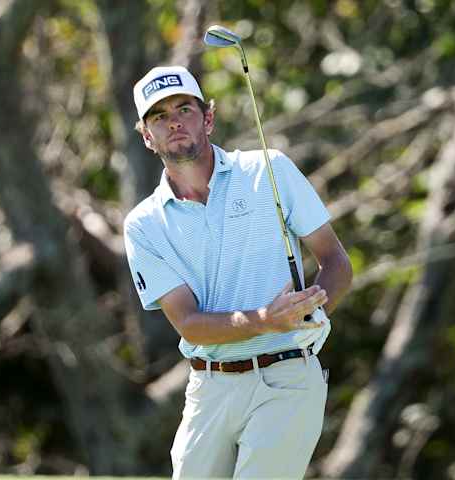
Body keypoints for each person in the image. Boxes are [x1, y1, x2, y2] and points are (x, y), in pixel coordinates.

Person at [123, 65, 353, 479]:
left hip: (286, 375)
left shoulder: (269, 170)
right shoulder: (143, 225)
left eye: (185, 109)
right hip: (209, 388)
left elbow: (335, 261)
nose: (174, 121)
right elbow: (190, 324)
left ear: (207, 117)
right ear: (146, 136)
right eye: (159, 116)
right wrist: (266, 320)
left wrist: (311, 314)